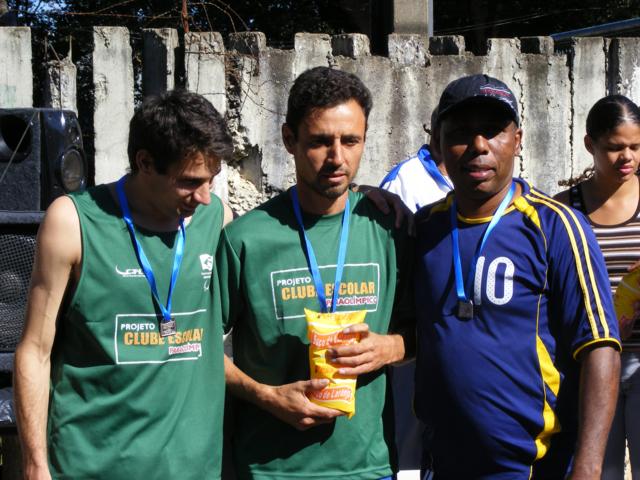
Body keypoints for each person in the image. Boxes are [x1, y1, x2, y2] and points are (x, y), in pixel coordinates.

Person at [14, 89, 234, 479]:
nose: (204, 196)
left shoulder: (216, 219)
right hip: (91, 467)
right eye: (190, 182)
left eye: (211, 180)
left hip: (193, 470)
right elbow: (35, 350)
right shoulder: (72, 222)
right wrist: (34, 465)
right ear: (145, 162)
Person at [414, 74, 621, 479]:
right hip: (444, 464)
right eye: (460, 133)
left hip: (535, 467)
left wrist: (588, 466)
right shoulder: (421, 229)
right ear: (437, 144)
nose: (478, 146)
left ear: (518, 140)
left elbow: (600, 347)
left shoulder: (556, 226)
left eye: (493, 131)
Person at [218, 66, 414, 480]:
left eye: (350, 141)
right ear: (289, 139)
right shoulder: (245, 239)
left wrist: (391, 347)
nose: (337, 158)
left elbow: (436, 332)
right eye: (320, 141)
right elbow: (195, 349)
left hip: (369, 468)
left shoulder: (389, 227)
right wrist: (267, 396)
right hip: (270, 470)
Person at [555, 95, 640, 480]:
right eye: (615, 147)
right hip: (586, 368)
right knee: (596, 471)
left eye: (635, 146)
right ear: (590, 144)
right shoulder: (563, 210)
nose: (627, 157)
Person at [380, 109, 451, 480]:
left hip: (460, 337)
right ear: (433, 128)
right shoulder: (405, 179)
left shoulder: (479, 177)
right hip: (414, 338)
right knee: (409, 441)